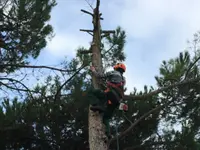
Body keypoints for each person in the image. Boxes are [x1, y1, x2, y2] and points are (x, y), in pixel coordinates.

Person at [89, 63, 127, 138]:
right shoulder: (123, 79)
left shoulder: (113, 72)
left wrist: (93, 70)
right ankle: (108, 134)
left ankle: (98, 106)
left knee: (93, 92)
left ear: (116, 68)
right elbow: (114, 84)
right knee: (106, 117)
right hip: (117, 100)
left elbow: (100, 76)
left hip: (110, 94)